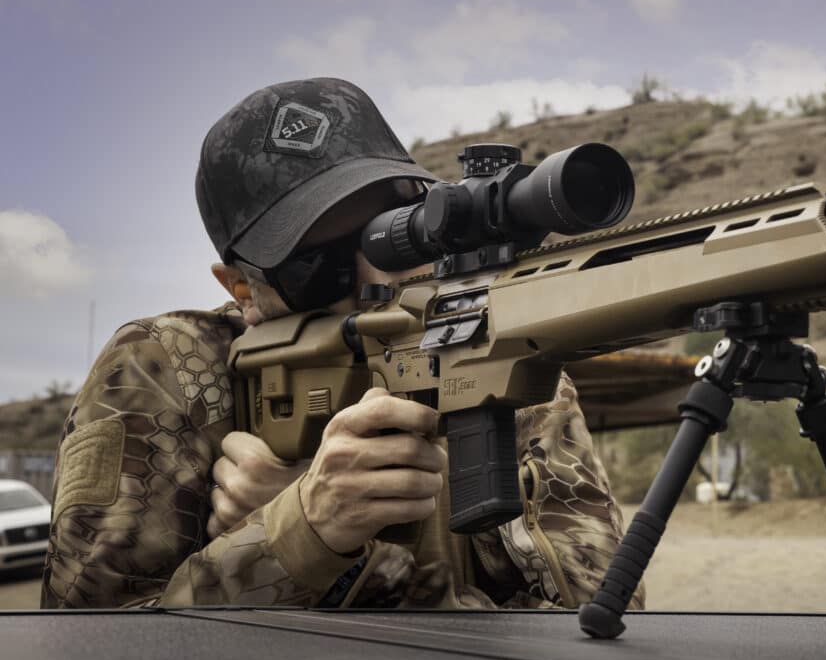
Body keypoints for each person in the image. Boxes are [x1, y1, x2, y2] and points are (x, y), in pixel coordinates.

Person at [42, 77, 639, 610]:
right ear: (241, 287)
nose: (374, 280)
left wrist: (320, 529)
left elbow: (603, 615)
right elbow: (95, 648)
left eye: (398, 234)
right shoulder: (164, 367)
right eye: (319, 265)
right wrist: (304, 527)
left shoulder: (507, 360)